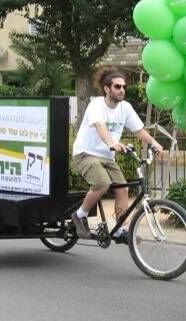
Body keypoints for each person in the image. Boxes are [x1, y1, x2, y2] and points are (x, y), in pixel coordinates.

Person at [70, 69, 163, 242]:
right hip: (86, 154)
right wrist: (112, 143)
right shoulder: (96, 105)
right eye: (117, 86)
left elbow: (138, 130)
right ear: (107, 89)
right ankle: (79, 215)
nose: (122, 90)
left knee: (123, 188)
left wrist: (153, 142)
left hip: (107, 157)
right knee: (102, 183)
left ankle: (120, 229)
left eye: (124, 87)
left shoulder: (125, 107)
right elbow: (100, 125)